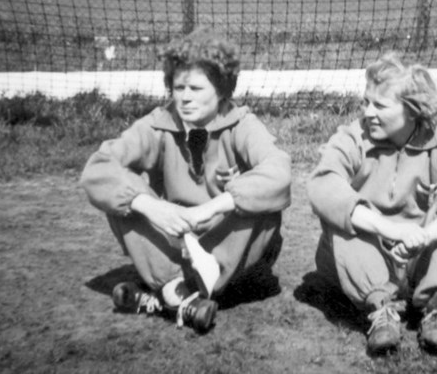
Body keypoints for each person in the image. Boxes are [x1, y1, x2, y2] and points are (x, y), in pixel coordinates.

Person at [80, 27, 291, 333]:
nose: (185, 98)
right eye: (179, 88)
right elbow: (97, 169)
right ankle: (175, 292)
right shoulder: (158, 125)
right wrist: (151, 207)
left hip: (230, 250)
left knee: (264, 199)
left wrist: (213, 206)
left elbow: (279, 170)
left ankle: (167, 296)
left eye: (195, 88)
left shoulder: (242, 124)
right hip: (178, 240)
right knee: (123, 191)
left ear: (220, 91)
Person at [307, 53, 437, 356]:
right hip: (365, 258)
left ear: (412, 110)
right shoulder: (352, 137)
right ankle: (380, 310)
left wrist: (426, 235)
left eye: (380, 105)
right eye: (366, 102)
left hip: (418, 258)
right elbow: (322, 185)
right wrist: (388, 228)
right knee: (342, 211)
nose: (368, 112)